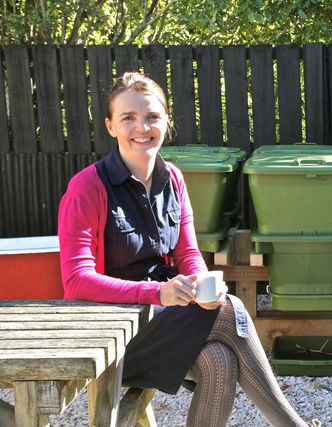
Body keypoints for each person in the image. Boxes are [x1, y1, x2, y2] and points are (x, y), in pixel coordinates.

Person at [58, 72, 314, 427]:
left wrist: (202, 283)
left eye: (151, 116)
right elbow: (76, 281)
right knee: (231, 308)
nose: (141, 127)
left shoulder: (173, 178)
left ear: (166, 121)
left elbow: (188, 254)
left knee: (220, 361)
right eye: (128, 118)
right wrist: (157, 293)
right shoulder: (87, 186)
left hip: (163, 318)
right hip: (109, 336)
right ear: (110, 126)